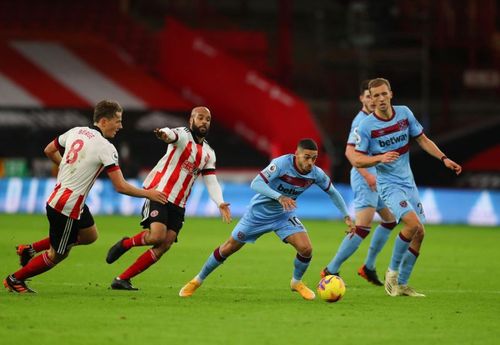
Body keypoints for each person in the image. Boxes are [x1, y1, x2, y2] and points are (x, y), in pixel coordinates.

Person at [4, 100, 167, 293]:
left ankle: (29, 249)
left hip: (68, 200)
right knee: (58, 254)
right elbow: (121, 187)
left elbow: (49, 150)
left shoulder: (76, 131)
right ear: (104, 121)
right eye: (118, 121)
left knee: (90, 236)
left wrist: (67, 166)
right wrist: (150, 194)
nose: (120, 126)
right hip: (67, 207)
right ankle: (15, 279)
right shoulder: (105, 147)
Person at [178, 138, 355, 301]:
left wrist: (347, 216)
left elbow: (333, 192)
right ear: (297, 154)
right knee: (229, 247)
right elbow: (256, 183)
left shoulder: (316, 174)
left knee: (306, 249)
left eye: (314, 158)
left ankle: (296, 282)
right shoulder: (281, 164)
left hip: (284, 215)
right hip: (258, 215)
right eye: (307, 157)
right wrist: (279, 197)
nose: (310, 162)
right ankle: (197, 280)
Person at [351, 78, 462, 297]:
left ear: (391, 94)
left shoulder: (404, 114)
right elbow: (357, 160)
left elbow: (423, 139)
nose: (381, 99)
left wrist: (444, 158)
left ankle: (401, 284)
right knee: (411, 225)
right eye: (376, 96)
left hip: (408, 183)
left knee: (420, 232)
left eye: (384, 94)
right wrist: (380, 158)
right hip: (388, 185)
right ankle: (391, 274)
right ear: (371, 99)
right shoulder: (365, 126)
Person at [105, 106, 231, 290]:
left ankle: (122, 279)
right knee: (157, 236)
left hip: (179, 204)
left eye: (208, 119)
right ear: (191, 120)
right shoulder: (183, 135)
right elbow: (170, 134)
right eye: (200, 118)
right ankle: (126, 244)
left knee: (164, 245)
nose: (204, 121)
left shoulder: (209, 153)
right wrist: (163, 134)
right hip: (160, 193)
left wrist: (219, 202)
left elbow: (211, 181)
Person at [321, 80, 397, 285]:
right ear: (362, 98)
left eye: (375, 96)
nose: (373, 100)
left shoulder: (376, 119)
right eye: (369, 96)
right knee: (362, 227)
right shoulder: (360, 122)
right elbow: (351, 152)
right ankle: (331, 269)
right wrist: (367, 175)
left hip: (377, 176)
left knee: (390, 220)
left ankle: (368, 266)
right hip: (365, 177)